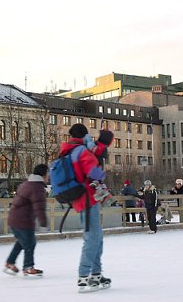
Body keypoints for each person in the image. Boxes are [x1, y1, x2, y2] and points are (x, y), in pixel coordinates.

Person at [59, 123, 112, 293]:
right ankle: (83, 276)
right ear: (84, 136)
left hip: (79, 199)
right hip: (88, 198)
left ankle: (96, 273)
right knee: (92, 237)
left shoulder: (67, 152)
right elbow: (94, 171)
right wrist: (103, 179)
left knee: (97, 236)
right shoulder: (81, 151)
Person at [4, 164, 48, 277]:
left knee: (21, 242)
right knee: (30, 243)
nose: (49, 176)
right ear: (44, 174)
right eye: (48, 173)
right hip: (23, 220)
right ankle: (28, 267)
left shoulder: (27, 183)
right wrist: (43, 223)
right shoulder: (37, 188)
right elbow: (39, 207)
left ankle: (10, 262)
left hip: (14, 218)